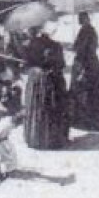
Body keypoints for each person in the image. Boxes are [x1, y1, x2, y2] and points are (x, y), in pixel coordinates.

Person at [19, 23, 69, 151]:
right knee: (52, 108)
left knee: (37, 109)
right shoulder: (56, 46)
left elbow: (24, 66)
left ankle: (36, 138)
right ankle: (54, 138)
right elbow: (62, 64)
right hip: (54, 81)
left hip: (36, 81)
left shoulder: (29, 46)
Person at [67, 12, 99, 132]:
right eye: (80, 18)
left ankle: (87, 120)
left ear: (86, 19)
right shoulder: (88, 30)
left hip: (85, 64)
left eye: (82, 18)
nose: (80, 21)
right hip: (90, 63)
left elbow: (83, 49)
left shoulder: (87, 31)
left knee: (86, 92)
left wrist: (75, 47)